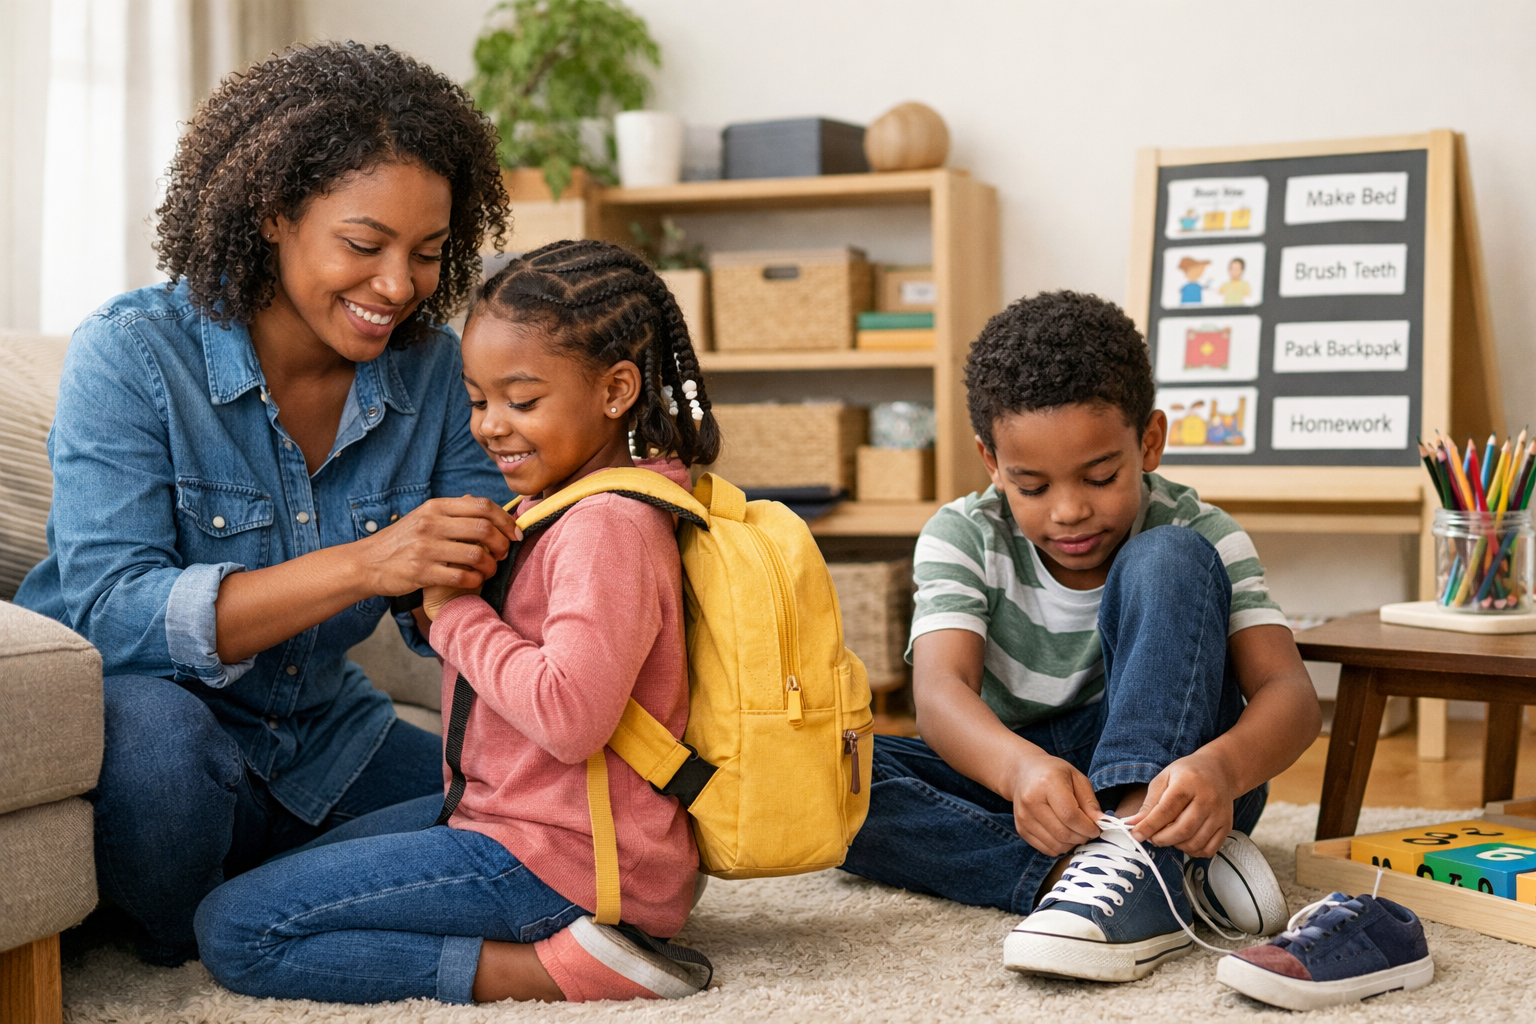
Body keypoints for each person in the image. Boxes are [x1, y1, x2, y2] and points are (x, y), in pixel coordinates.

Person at [14, 43, 517, 966]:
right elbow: (109, 613)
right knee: (164, 749)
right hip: (156, 739)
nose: (400, 287)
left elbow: (464, 603)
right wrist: (369, 564)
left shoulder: (440, 374)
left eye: (429, 254)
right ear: (274, 213)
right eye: (364, 246)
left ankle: (262, 905)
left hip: (325, 738)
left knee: (524, 816)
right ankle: (217, 917)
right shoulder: (132, 356)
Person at [195, 239, 724, 1005]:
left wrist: (453, 616)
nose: (491, 428)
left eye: (523, 400)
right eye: (478, 401)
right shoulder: (563, 506)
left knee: (238, 931)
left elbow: (569, 715)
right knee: (267, 888)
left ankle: (566, 968)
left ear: (616, 392)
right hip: (514, 821)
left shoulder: (607, 524)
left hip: (564, 856)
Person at [840, 290, 1322, 982]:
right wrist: (1018, 770)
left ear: (1149, 442)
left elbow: (1289, 694)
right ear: (991, 461)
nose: (1069, 511)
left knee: (1171, 558)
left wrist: (1223, 769)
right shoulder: (963, 535)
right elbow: (940, 694)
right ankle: (1116, 876)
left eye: (1101, 477)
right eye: (1031, 486)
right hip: (1032, 781)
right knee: (834, 775)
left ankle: (1139, 855)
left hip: (1183, 779)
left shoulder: (1200, 528)